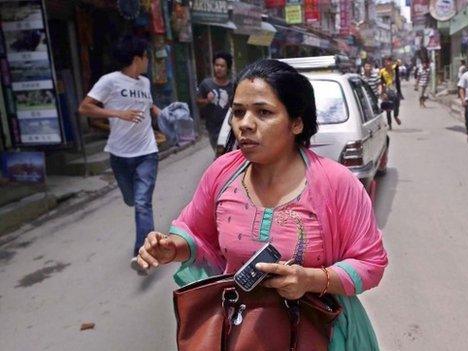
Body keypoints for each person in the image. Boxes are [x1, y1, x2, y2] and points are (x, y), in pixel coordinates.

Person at [134, 59, 388, 349]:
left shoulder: (336, 183)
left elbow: (370, 263)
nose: (245, 124)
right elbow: (195, 231)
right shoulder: (222, 173)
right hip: (239, 332)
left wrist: (312, 280)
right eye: (238, 112)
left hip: (321, 334)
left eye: (263, 112)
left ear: (297, 122)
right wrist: (174, 247)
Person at [78, 35, 161, 272]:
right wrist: (117, 114)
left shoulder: (144, 83)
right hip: (120, 153)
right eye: (146, 57)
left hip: (147, 151)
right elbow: (84, 108)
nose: (147, 61)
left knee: (143, 203)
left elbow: (149, 106)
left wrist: (162, 113)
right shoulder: (110, 81)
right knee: (131, 199)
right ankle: (142, 231)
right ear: (137, 58)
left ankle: (143, 254)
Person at [197, 52, 234, 150]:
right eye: (216, 65)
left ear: (227, 68)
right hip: (213, 128)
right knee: (220, 152)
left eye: (222, 66)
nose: (219, 68)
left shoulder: (233, 86)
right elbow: (197, 102)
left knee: (228, 152)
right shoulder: (206, 84)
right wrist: (207, 100)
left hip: (229, 125)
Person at [379, 56, 402, 129]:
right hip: (387, 91)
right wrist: (383, 93)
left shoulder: (394, 68)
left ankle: (395, 116)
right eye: (386, 62)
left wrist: (397, 61)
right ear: (384, 63)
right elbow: (381, 82)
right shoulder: (382, 71)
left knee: (397, 106)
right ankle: (389, 124)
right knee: (388, 109)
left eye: (390, 61)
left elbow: (399, 62)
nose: (388, 63)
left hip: (396, 91)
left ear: (392, 62)